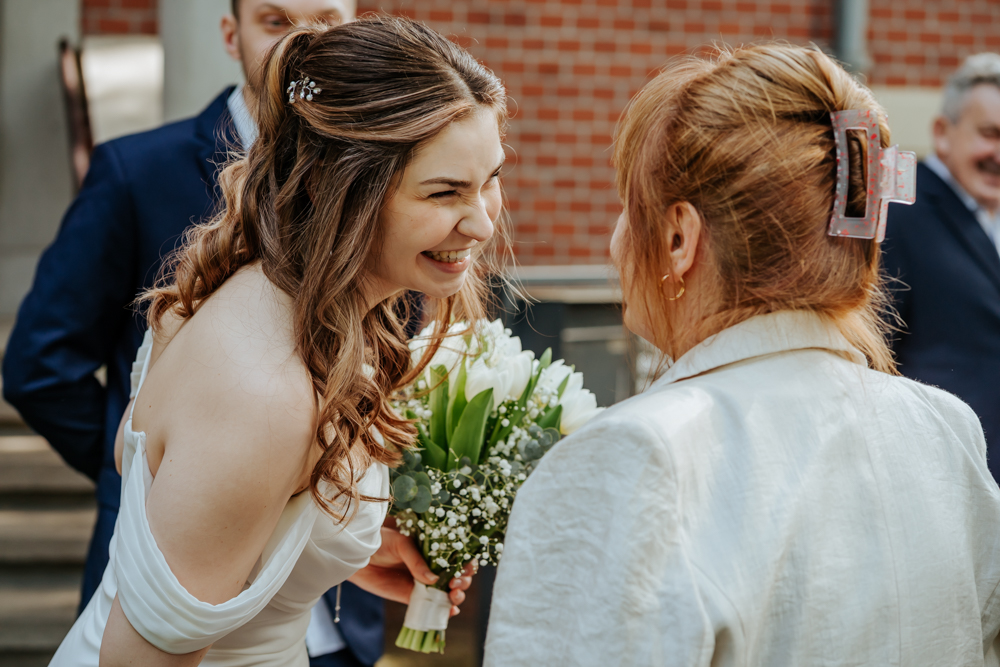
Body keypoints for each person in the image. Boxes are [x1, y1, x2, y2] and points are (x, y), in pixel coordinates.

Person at [484, 44, 1000, 665]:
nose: (616, 240)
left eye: (628, 206)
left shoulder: (637, 457)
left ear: (679, 237)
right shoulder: (944, 429)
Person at [47, 15, 506, 666]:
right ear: (331, 183)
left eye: (490, 177)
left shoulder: (298, 296)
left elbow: (210, 515)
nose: (483, 221)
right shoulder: (261, 392)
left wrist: (327, 558)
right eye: (444, 192)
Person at [882, 53, 1000, 479]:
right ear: (942, 133)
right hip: (938, 478)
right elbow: (874, 356)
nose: (998, 154)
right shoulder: (901, 215)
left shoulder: (988, 216)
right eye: (990, 134)